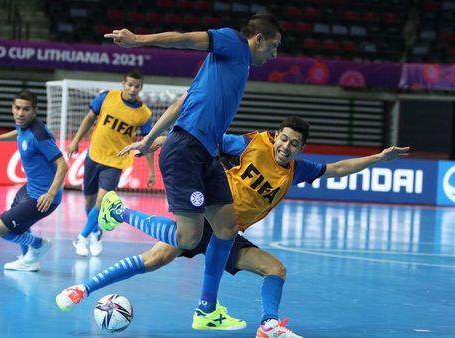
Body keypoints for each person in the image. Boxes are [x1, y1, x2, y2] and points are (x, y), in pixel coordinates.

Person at [56, 116, 410, 337]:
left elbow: (338, 169)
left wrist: (378, 158)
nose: (287, 146)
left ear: (301, 148)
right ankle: (89, 276)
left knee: (275, 269)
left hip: (230, 233)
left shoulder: (296, 171)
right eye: (284, 138)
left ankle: (268, 325)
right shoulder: (250, 144)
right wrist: (152, 143)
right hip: (212, 215)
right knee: (154, 259)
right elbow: (200, 140)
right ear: (276, 136)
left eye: (295, 143)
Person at [96, 12, 283, 330]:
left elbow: (179, 104)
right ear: (258, 39)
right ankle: (119, 211)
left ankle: (206, 310)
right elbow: (186, 38)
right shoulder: (233, 43)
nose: (275, 54)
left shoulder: (226, 69)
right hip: (187, 150)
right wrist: (138, 40)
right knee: (189, 236)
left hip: (207, 154)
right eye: (275, 46)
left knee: (225, 228)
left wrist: (149, 139)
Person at [0, 90, 68, 272]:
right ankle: (29, 261)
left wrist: (50, 193)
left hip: (44, 197)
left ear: (35, 111)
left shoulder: (39, 135)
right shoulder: (22, 124)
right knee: (19, 222)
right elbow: (17, 133)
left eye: (26, 109)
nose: (20, 113)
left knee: (0, 227)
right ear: (12, 108)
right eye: (17, 108)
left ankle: (38, 245)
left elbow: (63, 164)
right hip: (30, 188)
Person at [66, 70, 156, 257]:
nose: (132, 89)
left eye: (136, 86)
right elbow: (89, 119)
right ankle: (96, 232)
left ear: (141, 88)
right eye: (129, 85)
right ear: (123, 84)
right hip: (94, 155)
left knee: (101, 200)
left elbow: (147, 142)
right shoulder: (106, 97)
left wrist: (151, 171)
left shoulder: (144, 113)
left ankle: (81, 237)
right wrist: (75, 141)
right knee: (89, 200)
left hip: (116, 161)